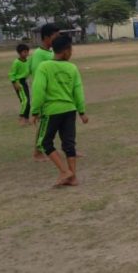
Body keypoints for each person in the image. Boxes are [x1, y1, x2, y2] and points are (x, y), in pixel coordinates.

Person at [31, 35, 89, 187]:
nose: (72, 52)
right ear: (65, 51)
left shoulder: (44, 66)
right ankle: (73, 177)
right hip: (70, 110)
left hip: (51, 111)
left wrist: (35, 111)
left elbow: (38, 90)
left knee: (44, 143)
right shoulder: (72, 68)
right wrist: (81, 111)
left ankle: (65, 172)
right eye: (71, 49)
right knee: (69, 144)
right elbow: (78, 92)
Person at [28, 23, 61, 161]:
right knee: (44, 125)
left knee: (63, 123)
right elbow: (37, 77)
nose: (58, 38)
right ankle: (37, 152)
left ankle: (70, 149)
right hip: (46, 96)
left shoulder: (52, 52)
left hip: (57, 94)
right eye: (56, 36)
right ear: (47, 37)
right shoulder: (38, 54)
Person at [9, 43, 32, 125]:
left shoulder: (28, 61)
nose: (26, 53)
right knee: (24, 101)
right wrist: (14, 83)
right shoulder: (16, 62)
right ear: (19, 53)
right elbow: (12, 74)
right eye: (24, 52)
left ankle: (26, 119)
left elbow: (29, 70)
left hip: (24, 82)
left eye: (27, 52)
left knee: (28, 101)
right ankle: (21, 117)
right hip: (19, 83)